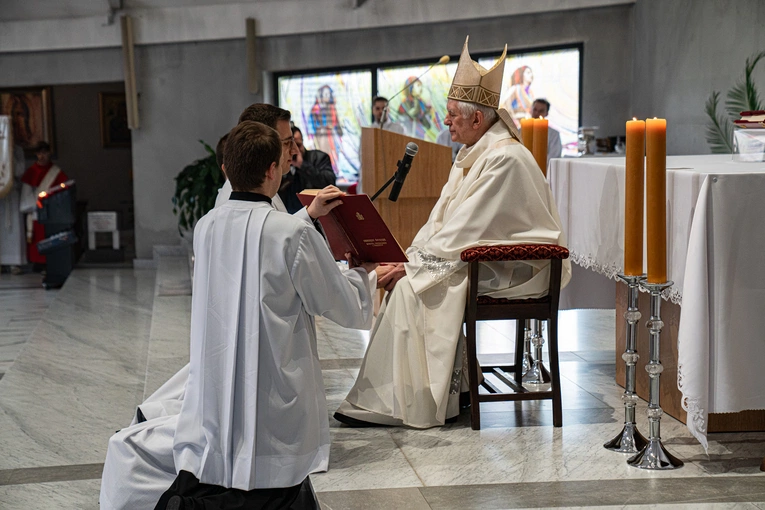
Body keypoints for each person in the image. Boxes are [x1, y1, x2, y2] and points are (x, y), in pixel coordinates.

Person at [100, 106, 351, 509]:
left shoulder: (208, 224)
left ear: (226, 167)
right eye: (284, 149)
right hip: (271, 374)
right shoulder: (288, 231)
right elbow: (336, 301)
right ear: (272, 170)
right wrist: (364, 275)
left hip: (220, 374)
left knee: (233, 449)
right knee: (272, 466)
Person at [334, 36, 571, 429]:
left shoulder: (505, 159)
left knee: (417, 288)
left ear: (478, 120)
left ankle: (417, 400)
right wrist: (407, 257)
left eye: (451, 115)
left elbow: (465, 229)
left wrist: (412, 269)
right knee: (408, 282)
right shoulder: (473, 154)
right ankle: (432, 391)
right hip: (483, 256)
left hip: (522, 269)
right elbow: (441, 220)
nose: (445, 122)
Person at [19, 142, 68, 267]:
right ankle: (37, 263)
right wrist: (37, 204)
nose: (42, 156)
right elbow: (26, 196)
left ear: (49, 153)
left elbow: (63, 191)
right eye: (39, 153)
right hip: (36, 212)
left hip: (52, 212)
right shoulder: (31, 172)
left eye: (45, 153)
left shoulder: (56, 172)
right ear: (36, 154)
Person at [279, 126, 336, 214]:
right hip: (289, 214)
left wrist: (302, 165)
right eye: (290, 145)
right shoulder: (281, 162)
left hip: (317, 215)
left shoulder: (319, 157)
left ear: (303, 142)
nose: (295, 150)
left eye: (298, 144)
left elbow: (329, 183)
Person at [0, 143, 27, 272]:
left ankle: (14, 262)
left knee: (13, 227)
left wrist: (10, 153)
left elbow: (20, 170)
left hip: (12, 192)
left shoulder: (17, 149)